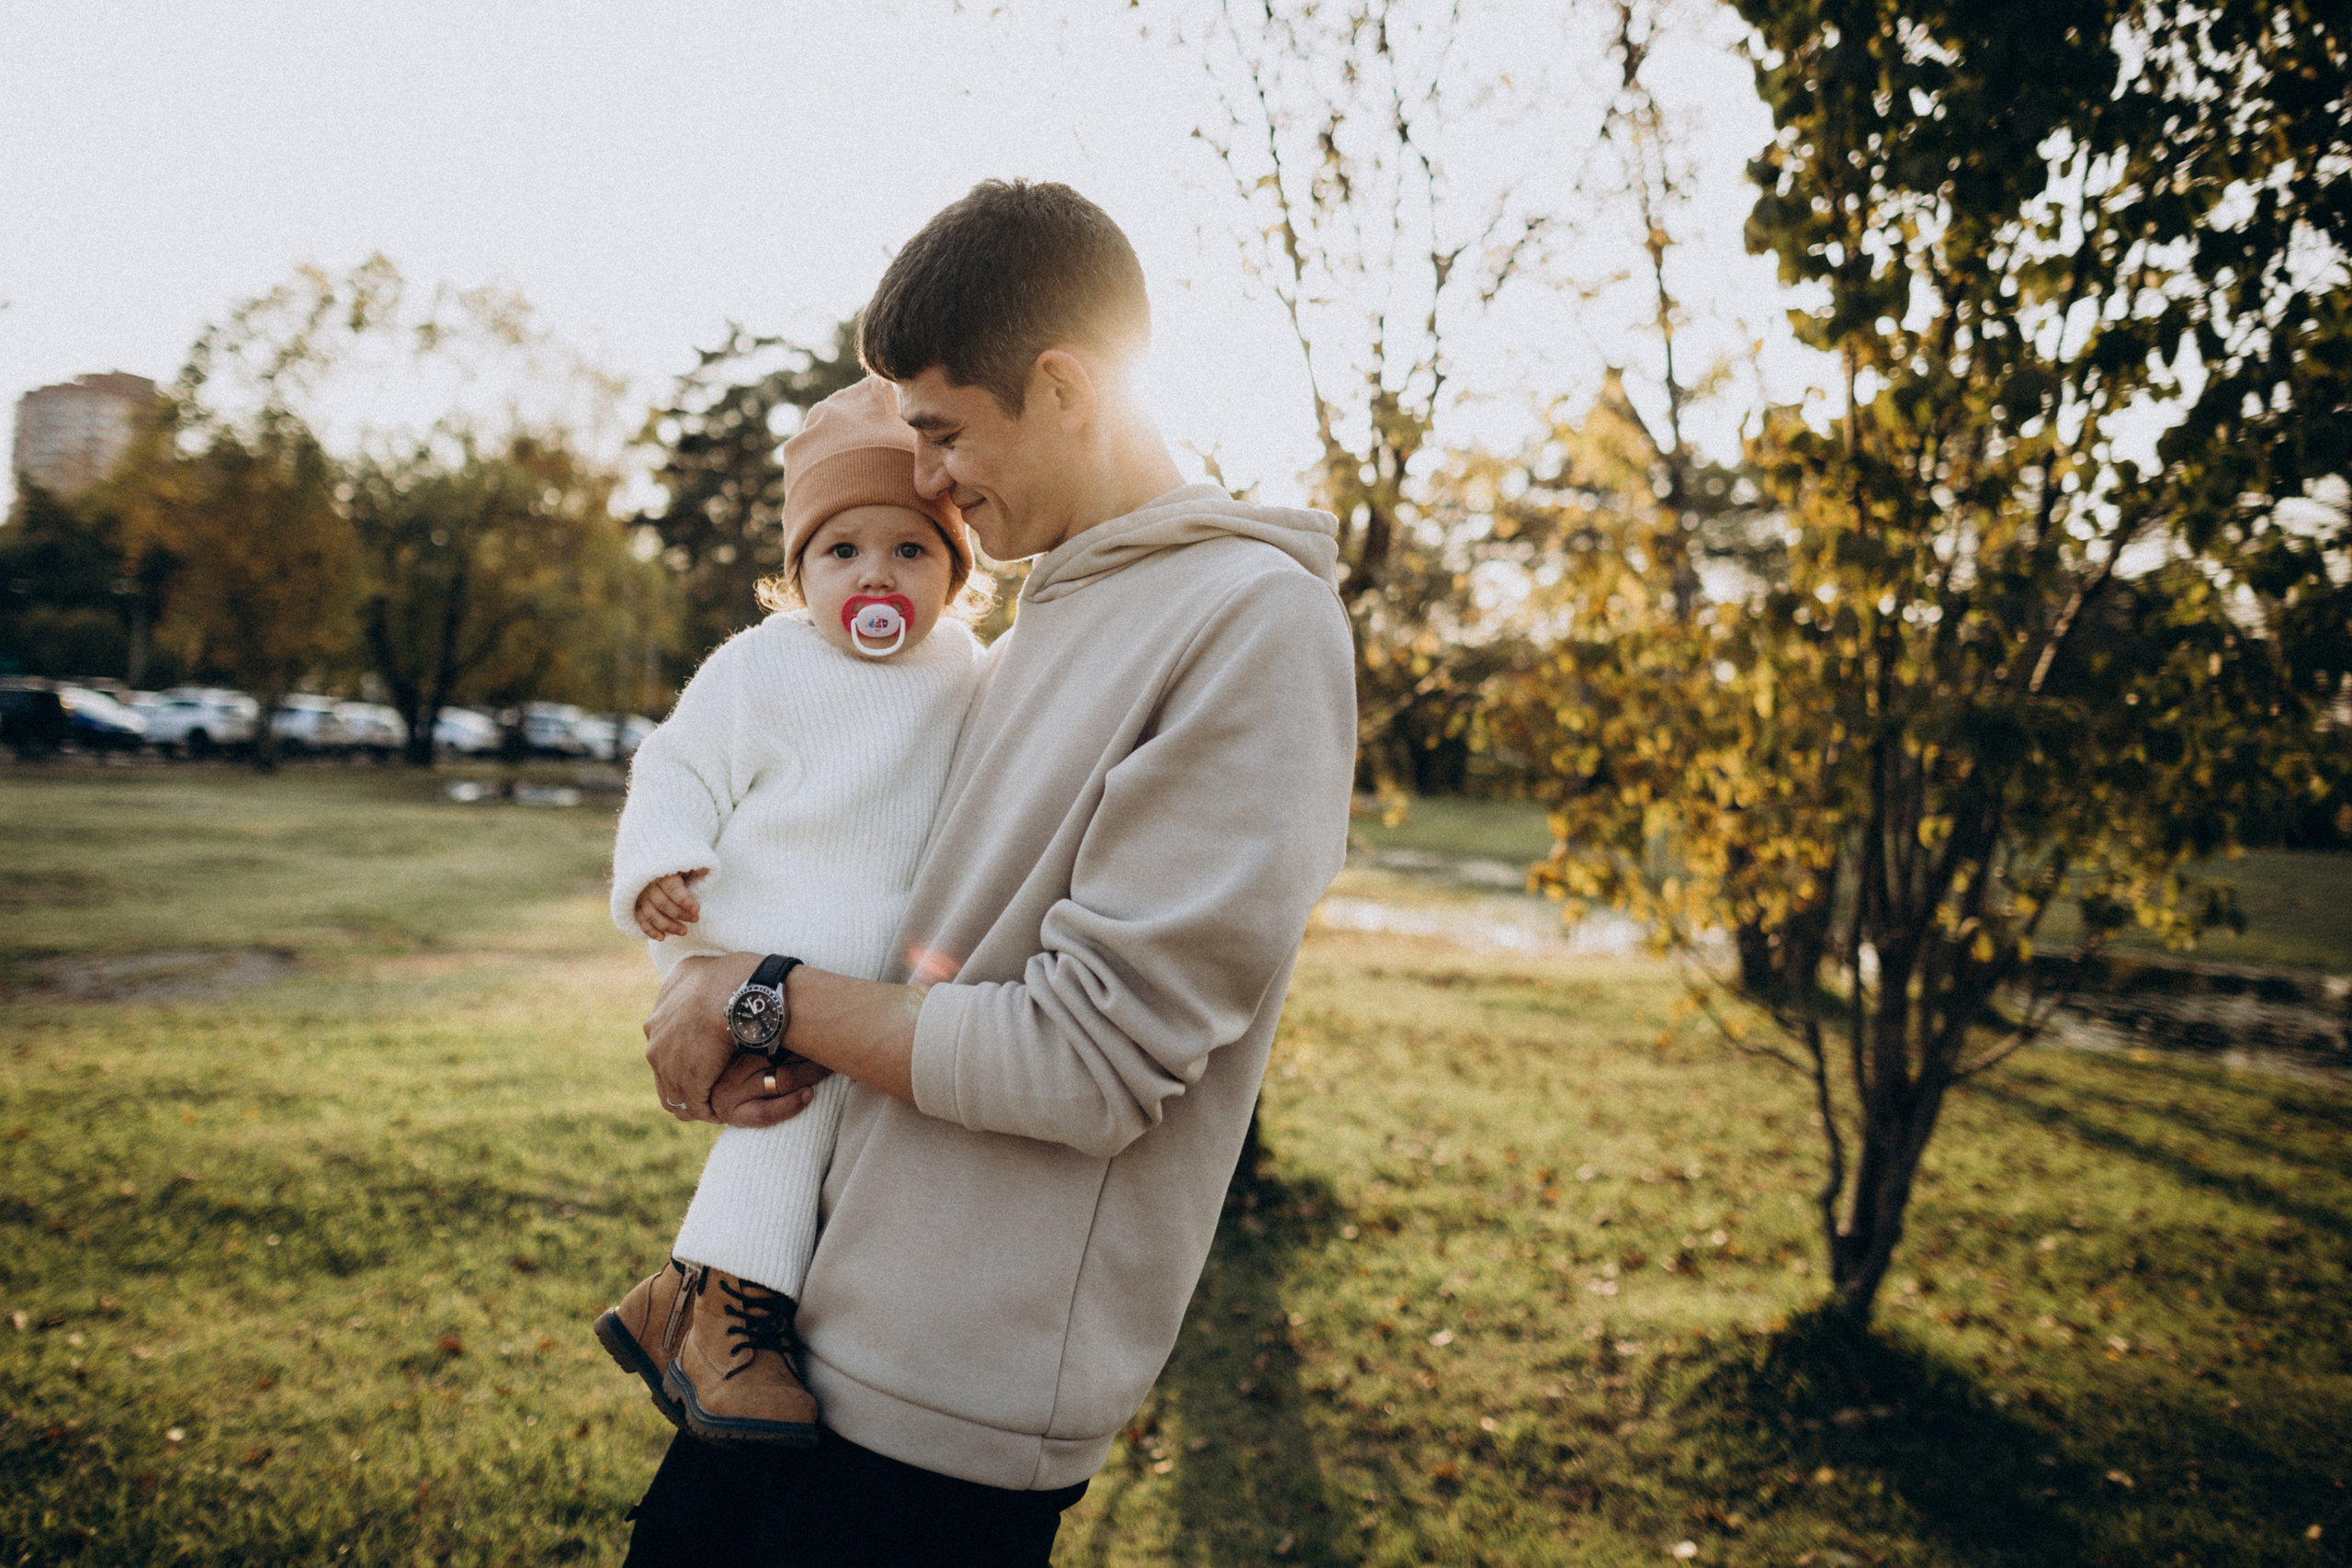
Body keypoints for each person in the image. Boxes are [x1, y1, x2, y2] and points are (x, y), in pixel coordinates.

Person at [624, 178, 1358, 1566]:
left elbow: (1086, 1059)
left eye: (948, 431)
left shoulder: (1254, 626)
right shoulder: (1031, 621)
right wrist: (743, 1033)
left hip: (944, 1417)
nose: (931, 479)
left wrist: (761, 992)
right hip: (795, 1340)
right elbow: (918, 961)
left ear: (1068, 386)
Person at [596, 375, 985, 1448]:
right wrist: (658, 870)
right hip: (746, 945)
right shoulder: (761, 668)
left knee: (846, 1126)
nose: (876, 575)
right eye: (841, 551)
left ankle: (679, 1295)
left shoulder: (966, 674)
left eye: (912, 551)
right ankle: (729, 1317)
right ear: (796, 575)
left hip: (875, 965)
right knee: (788, 1106)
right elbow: (676, 771)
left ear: (956, 572)